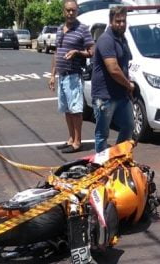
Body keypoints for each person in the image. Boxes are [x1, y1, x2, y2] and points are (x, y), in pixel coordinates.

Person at [49, 0, 95, 153]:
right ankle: (70, 139)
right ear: (63, 11)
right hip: (62, 76)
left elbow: (92, 51)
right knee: (67, 110)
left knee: (76, 111)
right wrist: (52, 75)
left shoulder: (83, 29)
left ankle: (77, 141)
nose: (70, 13)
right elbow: (56, 53)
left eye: (73, 10)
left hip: (73, 75)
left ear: (77, 11)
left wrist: (77, 52)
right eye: (68, 10)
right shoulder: (60, 29)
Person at [91, 6, 135, 153]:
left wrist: (127, 86)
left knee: (128, 126)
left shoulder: (122, 38)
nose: (121, 24)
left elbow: (124, 65)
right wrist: (128, 84)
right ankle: (102, 166)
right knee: (102, 134)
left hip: (121, 94)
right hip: (104, 96)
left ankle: (117, 158)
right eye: (118, 21)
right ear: (111, 21)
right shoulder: (106, 39)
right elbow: (114, 69)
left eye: (123, 21)